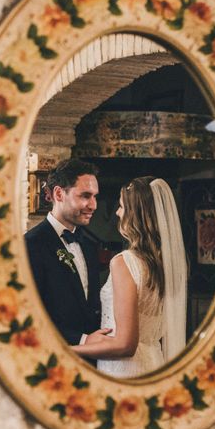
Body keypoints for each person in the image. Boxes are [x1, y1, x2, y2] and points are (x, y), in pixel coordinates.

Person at [71, 177, 187, 378]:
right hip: (154, 361)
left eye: (122, 207)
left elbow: (125, 344)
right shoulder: (165, 262)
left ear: (136, 215)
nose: (117, 212)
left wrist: (69, 351)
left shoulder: (124, 262)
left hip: (125, 370)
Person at [25, 159, 104, 346]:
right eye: (85, 196)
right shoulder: (30, 245)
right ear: (59, 194)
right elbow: (29, 315)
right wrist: (83, 340)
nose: (93, 205)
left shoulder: (90, 244)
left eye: (95, 196)